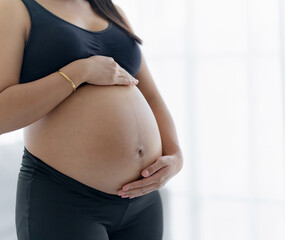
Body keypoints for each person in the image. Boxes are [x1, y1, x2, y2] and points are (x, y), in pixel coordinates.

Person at [0, 0, 183, 239]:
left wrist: (176, 156)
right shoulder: (13, 8)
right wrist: (80, 72)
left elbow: (150, 96)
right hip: (65, 200)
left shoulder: (112, 11)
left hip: (142, 201)